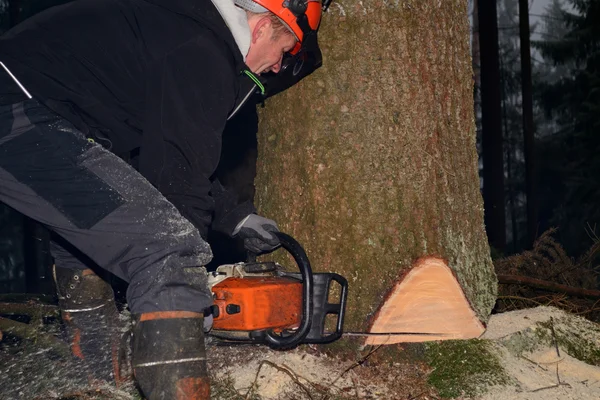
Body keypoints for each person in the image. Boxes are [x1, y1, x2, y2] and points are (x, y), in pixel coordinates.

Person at [0, 0, 323, 398]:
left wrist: (234, 216)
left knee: (84, 253)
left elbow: (159, 156)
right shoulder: (203, 50)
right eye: (284, 49)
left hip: (30, 113)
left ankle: (99, 386)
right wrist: (187, 300)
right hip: (17, 113)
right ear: (261, 28)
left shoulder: (181, 30)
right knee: (168, 251)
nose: (277, 66)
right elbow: (176, 183)